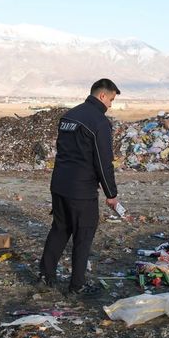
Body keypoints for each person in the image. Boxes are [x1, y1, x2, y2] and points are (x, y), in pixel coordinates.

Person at [38, 78, 120, 294]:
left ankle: (45, 275)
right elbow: (103, 162)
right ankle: (77, 286)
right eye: (111, 100)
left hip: (59, 184)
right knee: (83, 236)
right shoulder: (99, 122)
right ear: (102, 96)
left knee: (60, 229)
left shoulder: (69, 116)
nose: (111, 105)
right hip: (81, 190)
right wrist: (111, 194)